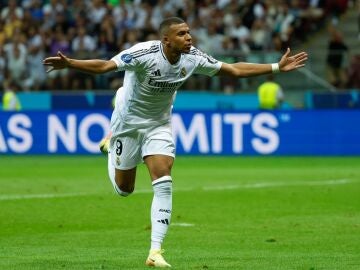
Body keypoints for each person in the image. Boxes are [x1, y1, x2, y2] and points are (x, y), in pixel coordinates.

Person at [43, 17, 307, 268]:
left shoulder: (193, 58)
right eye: (181, 34)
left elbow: (234, 69)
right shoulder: (143, 54)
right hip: (127, 124)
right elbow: (104, 66)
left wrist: (275, 67)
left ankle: (155, 251)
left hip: (159, 125)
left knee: (164, 181)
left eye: (189, 32)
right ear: (166, 40)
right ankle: (110, 145)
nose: (189, 37)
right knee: (124, 190)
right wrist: (72, 63)